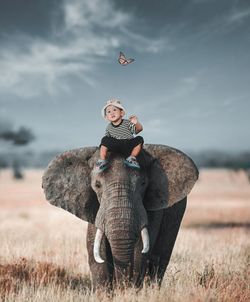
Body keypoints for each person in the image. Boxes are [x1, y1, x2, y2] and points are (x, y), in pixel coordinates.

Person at [94, 99, 144, 173]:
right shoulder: (109, 127)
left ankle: (132, 158)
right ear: (106, 117)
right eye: (109, 112)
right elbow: (107, 141)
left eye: (114, 110)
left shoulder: (127, 123)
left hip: (128, 144)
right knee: (104, 140)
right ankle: (102, 160)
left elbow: (139, 130)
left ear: (122, 113)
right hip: (116, 145)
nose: (112, 113)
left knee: (140, 139)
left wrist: (136, 123)